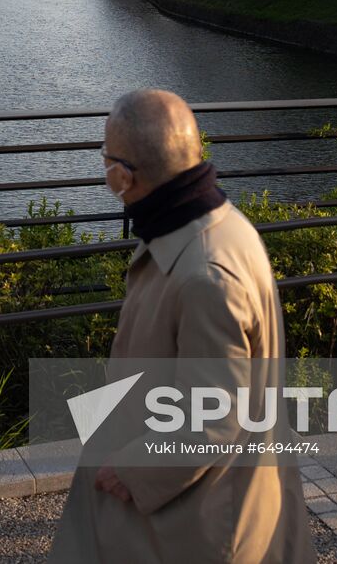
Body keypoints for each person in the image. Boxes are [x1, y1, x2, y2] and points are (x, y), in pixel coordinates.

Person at [49, 89, 312, 563]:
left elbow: (212, 418)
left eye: (107, 159)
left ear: (121, 176)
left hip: (197, 524)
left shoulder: (205, 274)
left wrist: (131, 468)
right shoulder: (213, 225)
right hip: (197, 501)